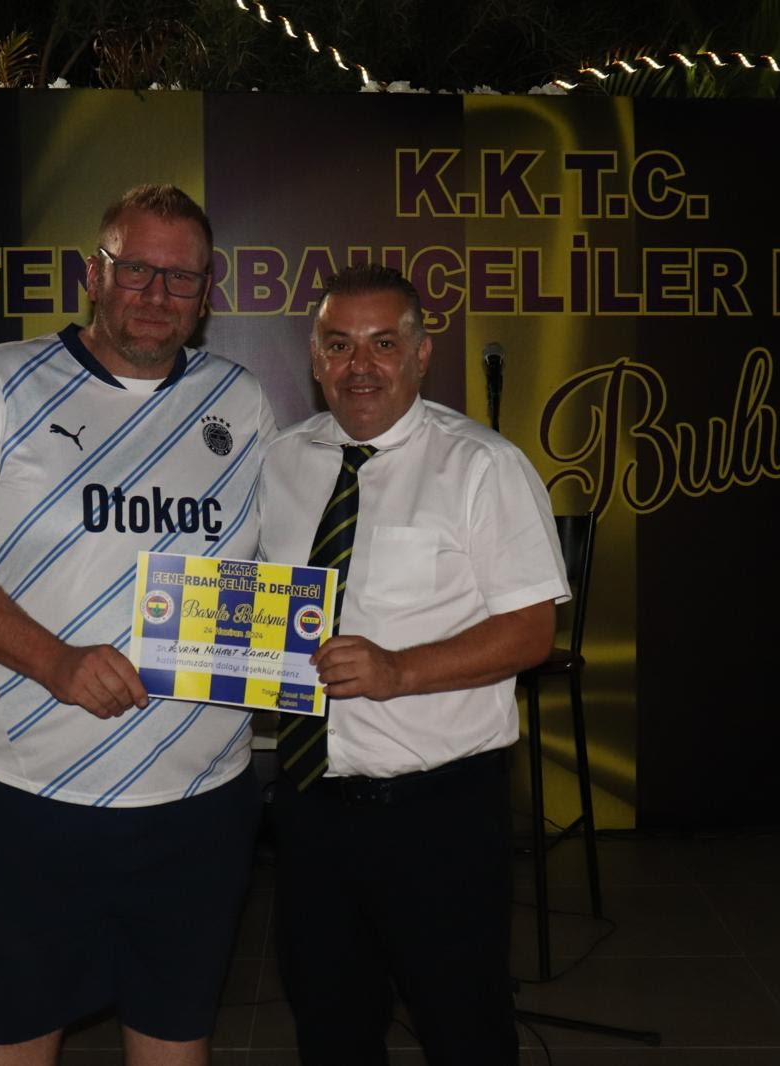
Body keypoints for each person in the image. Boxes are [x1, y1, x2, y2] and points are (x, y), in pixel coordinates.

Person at [0, 184, 276, 1066]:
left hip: (201, 799)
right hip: (30, 796)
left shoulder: (241, 399)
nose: (157, 294)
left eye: (181, 277)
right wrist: (57, 662)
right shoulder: (1, 379)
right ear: (92, 275)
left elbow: (262, 571)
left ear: (207, 292)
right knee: (18, 1036)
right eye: (135, 268)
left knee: (176, 1037)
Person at [257, 263, 570, 1064]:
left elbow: (531, 631)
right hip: (309, 806)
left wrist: (399, 670)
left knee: (464, 1030)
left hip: (439, 814)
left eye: (384, 344)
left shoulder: (482, 465)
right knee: (330, 1028)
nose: (360, 365)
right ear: (315, 358)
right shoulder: (279, 462)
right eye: (339, 345)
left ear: (422, 355)